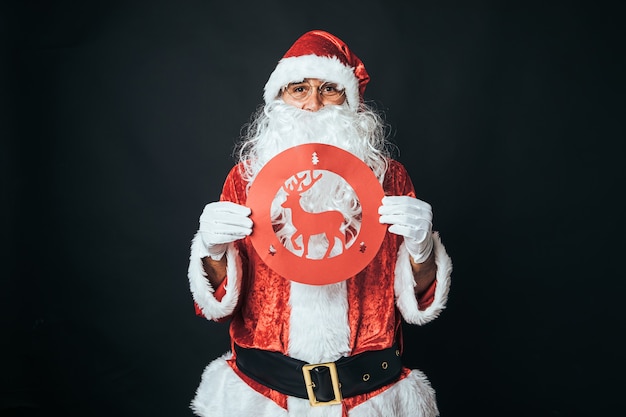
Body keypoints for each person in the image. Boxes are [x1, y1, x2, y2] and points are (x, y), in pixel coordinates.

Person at [187, 30, 452, 417]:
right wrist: (211, 251)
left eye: (329, 89)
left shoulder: (390, 178)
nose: (313, 104)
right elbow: (221, 304)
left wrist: (421, 249)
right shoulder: (245, 178)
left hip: (367, 399)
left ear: (351, 101)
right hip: (265, 399)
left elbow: (420, 301)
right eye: (299, 89)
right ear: (279, 99)